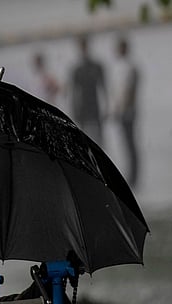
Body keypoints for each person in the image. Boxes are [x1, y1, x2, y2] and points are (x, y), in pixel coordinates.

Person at [110, 34, 140, 189]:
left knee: (130, 144)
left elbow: (129, 92)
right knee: (127, 144)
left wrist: (122, 109)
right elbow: (118, 92)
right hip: (124, 111)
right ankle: (131, 174)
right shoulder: (120, 67)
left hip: (128, 112)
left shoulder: (129, 67)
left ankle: (134, 176)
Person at [68, 34, 108, 145]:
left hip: (95, 107)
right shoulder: (77, 70)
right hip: (83, 108)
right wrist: (74, 110)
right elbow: (74, 92)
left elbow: (104, 88)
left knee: (99, 140)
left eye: (84, 46)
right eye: (81, 47)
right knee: (84, 142)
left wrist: (106, 106)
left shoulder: (97, 66)